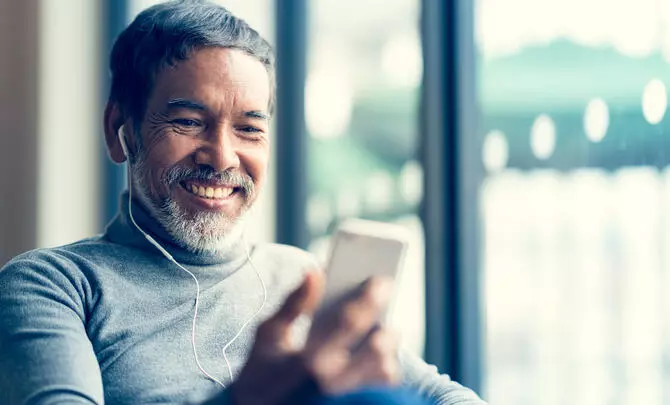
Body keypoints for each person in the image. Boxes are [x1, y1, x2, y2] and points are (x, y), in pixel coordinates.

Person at [0, 1, 486, 404]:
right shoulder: (53, 286)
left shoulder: (300, 279)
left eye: (249, 129)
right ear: (118, 130)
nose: (223, 157)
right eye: (188, 122)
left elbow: (444, 394)